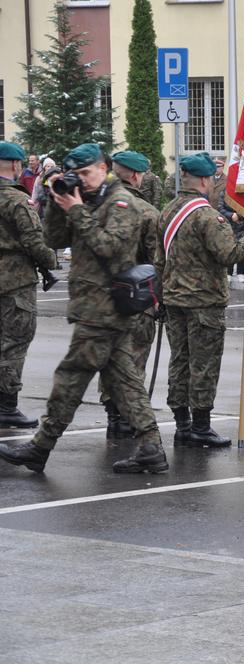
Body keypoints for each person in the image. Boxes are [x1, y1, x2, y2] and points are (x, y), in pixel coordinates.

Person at [0, 143, 169, 474]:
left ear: (103, 168)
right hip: (96, 309)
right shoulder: (90, 201)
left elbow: (109, 246)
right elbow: (52, 238)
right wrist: (57, 201)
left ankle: (40, 447)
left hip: (103, 310)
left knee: (70, 379)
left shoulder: (122, 203)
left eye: (87, 173)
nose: (83, 180)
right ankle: (152, 448)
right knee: (125, 381)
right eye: (76, 174)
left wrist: (77, 208)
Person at [156, 152, 244, 448]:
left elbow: (159, 259)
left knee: (180, 361)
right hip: (204, 302)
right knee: (204, 364)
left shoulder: (168, 210)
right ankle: (201, 426)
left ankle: (182, 424)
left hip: (174, 299)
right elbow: (230, 255)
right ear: (206, 180)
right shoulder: (207, 215)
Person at [98, 151, 161, 439]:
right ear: (137, 176)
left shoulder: (98, 206)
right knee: (133, 360)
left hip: (101, 296)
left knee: (109, 358)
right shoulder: (147, 212)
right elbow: (156, 261)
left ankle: (113, 416)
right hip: (136, 299)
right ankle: (126, 418)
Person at [0, 142, 58, 428]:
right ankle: (7, 405)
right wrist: (52, 262)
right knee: (14, 343)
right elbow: (35, 242)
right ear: (14, 165)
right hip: (14, 282)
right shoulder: (15, 200)